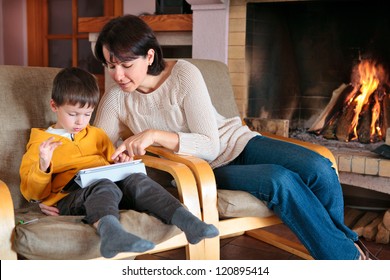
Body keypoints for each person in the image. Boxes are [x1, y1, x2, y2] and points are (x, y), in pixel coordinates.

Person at [88, 14, 379, 260]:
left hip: (238, 141)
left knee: (319, 166)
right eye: (110, 66)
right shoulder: (116, 98)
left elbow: (210, 142)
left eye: (126, 65)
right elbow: (95, 149)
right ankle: (349, 259)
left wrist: (153, 134)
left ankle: (340, 252)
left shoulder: (183, 75)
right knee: (281, 181)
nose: (117, 75)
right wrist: (120, 150)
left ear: (149, 55)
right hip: (208, 169)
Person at [19, 67, 219, 259]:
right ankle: (111, 235)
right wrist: (43, 166)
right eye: (73, 114)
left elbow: (111, 161)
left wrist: (122, 162)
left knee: (136, 179)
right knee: (103, 184)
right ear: (54, 106)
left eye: (88, 114)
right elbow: (32, 193)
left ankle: (188, 222)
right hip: (71, 198)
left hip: (109, 193)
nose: (81, 122)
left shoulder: (96, 135)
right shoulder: (41, 143)